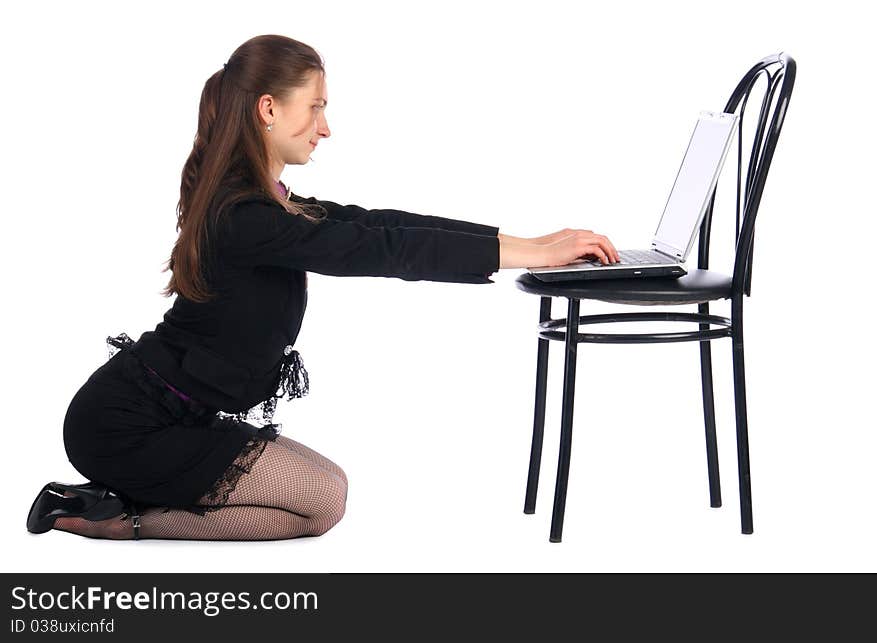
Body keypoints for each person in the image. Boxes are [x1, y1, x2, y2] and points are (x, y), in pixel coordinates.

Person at [25, 34, 620, 541]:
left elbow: (378, 224)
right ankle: (111, 517)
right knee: (322, 498)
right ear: (268, 110)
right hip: (124, 427)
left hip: (172, 418)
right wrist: (532, 254)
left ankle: (115, 498)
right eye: (315, 107)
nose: (326, 127)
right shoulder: (245, 217)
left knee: (320, 492)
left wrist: (532, 243)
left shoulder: (269, 204)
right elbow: (382, 251)